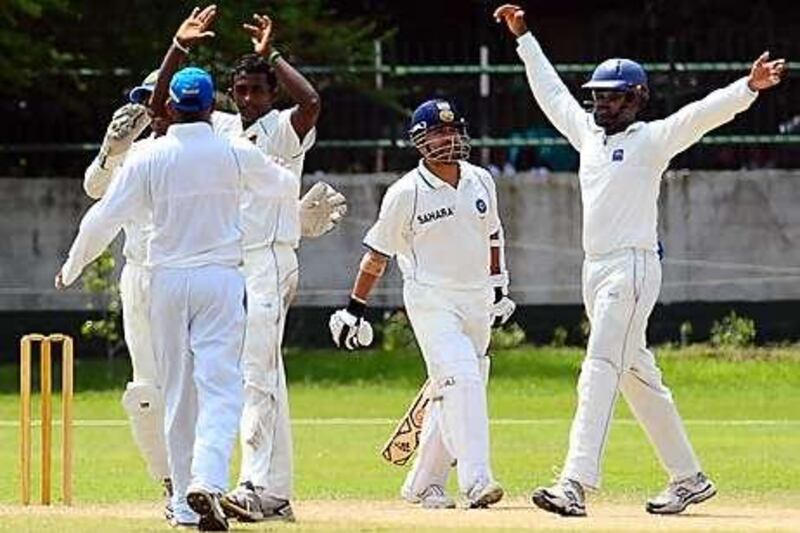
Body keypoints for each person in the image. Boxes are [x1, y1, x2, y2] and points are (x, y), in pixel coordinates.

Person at [494, 4, 786, 517]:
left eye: (613, 97)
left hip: (631, 270)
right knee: (638, 378)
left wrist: (749, 87)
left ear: (636, 99)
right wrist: (524, 39)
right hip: (595, 268)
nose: (602, 105)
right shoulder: (586, 135)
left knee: (600, 367)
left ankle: (574, 484)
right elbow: (551, 94)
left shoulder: (651, 140)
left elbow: (700, 114)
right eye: (598, 97)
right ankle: (689, 478)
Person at [57, 65, 297, 531]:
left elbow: (102, 217)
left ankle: (187, 503)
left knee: (178, 393)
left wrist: (73, 264)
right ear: (211, 106)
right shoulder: (232, 148)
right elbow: (282, 188)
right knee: (220, 386)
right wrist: (289, 205)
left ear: (170, 106)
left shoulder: (148, 157)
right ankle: (205, 478)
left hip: (166, 283)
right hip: (219, 281)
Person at [148, 8, 345, 521]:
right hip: (233, 266)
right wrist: (178, 48)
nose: (250, 99)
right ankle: (273, 492)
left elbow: (312, 101)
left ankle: (256, 484)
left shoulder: (283, 128)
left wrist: (270, 55)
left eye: (258, 90)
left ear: (270, 93)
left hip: (272, 261)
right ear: (230, 95)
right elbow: (160, 111)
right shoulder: (225, 129)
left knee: (256, 372)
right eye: (241, 91)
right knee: (260, 373)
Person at [328, 98, 516, 509]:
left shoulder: (481, 179)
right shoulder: (405, 193)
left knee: (461, 386)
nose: (448, 139)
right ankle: (477, 480)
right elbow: (377, 255)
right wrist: (354, 309)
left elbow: (494, 235)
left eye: (452, 131)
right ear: (420, 141)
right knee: (462, 379)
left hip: (476, 298)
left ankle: (424, 484)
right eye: (437, 132)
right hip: (431, 299)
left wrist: (500, 287)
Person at [82, 69, 173, 515]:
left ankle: (210, 478)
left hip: (197, 274)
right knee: (147, 389)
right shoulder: (130, 155)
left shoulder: (208, 145)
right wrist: (108, 154)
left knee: (204, 383)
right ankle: (171, 482)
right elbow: (95, 190)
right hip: (141, 278)